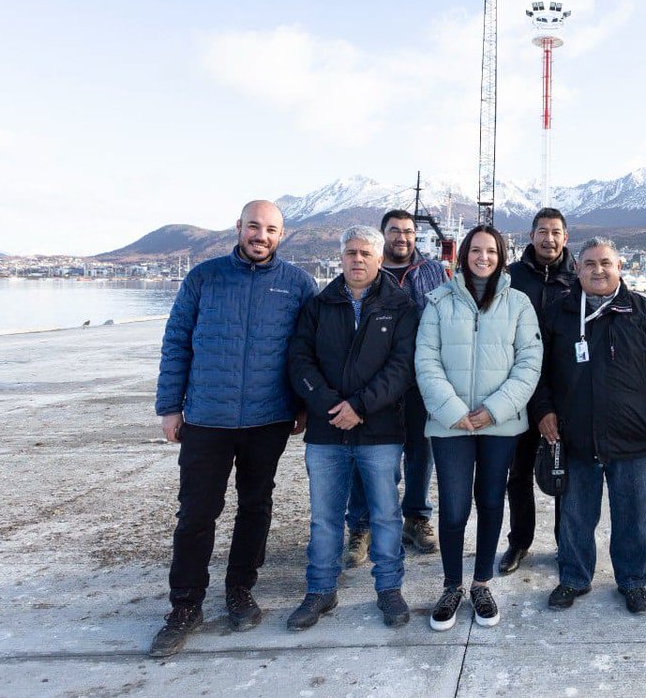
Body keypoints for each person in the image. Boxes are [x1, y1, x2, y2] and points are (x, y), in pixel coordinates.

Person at [150, 200, 317, 658]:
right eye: (253, 227)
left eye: (270, 229)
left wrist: (302, 404)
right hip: (207, 417)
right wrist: (170, 407)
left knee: (255, 507)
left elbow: (305, 351)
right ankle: (185, 605)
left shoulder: (298, 285)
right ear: (238, 228)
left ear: (282, 235)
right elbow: (177, 342)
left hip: (269, 418)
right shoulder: (203, 278)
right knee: (196, 514)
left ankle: (240, 589)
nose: (260, 236)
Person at [531, 237, 646, 615]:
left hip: (632, 436)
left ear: (619, 268)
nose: (598, 270)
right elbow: (538, 369)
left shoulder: (644, 313)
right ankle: (574, 578)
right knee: (576, 513)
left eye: (606, 263)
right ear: (577, 270)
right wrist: (545, 410)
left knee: (632, 515)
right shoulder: (560, 314)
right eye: (590, 264)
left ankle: (632, 581)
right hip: (575, 434)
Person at [285, 226, 420, 631]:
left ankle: (389, 590)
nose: (357, 259)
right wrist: (330, 405)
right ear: (339, 257)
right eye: (350, 252)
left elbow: (402, 368)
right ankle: (320, 591)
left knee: (385, 515)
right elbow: (299, 360)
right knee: (324, 517)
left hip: (379, 430)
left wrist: (360, 406)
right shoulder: (318, 304)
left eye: (365, 253)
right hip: (326, 432)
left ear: (380, 259)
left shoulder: (401, 307)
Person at [414, 225, 542, 630]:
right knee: (453, 509)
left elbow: (529, 363)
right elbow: (426, 361)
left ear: (501, 256)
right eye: (476, 250)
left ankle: (481, 582)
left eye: (491, 251)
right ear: (463, 254)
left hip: (499, 425)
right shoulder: (437, 303)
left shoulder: (518, 304)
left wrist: (494, 409)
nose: (483, 257)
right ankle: (452, 584)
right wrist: (453, 410)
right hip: (450, 424)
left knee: (490, 503)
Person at [344, 209, 447, 565]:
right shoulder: (371, 269)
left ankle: (416, 517)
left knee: (422, 451)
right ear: (382, 235)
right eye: (394, 231)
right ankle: (361, 524)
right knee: (369, 454)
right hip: (375, 381)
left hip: (421, 379)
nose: (401, 238)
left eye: (408, 232)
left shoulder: (434, 271)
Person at [498, 207, 576, 575]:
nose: (549, 238)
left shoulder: (578, 278)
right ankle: (519, 541)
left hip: (564, 392)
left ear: (566, 238)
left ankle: (566, 541)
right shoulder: (511, 277)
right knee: (519, 472)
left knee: (565, 470)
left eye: (556, 232)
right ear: (531, 236)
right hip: (517, 390)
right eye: (542, 231)